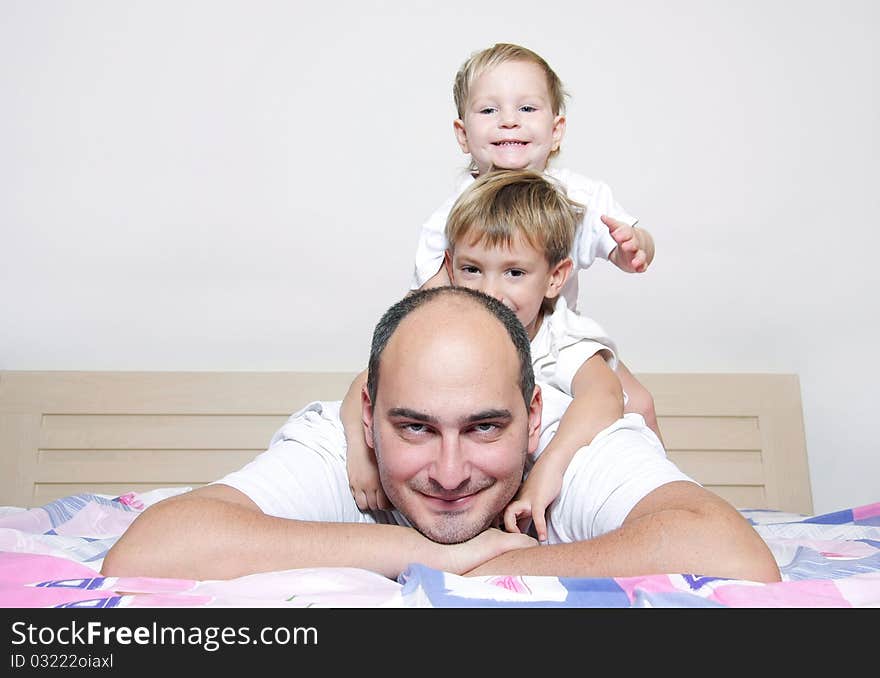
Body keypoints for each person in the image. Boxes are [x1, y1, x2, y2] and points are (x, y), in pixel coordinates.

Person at [102, 286, 781, 583]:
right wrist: (422, 553)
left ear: (535, 416)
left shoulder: (574, 444)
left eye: (485, 426)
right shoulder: (342, 448)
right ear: (367, 417)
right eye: (415, 428)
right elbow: (149, 550)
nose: (450, 472)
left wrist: (505, 563)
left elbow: (731, 551)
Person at [344, 42, 661, 512]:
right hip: (482, 346)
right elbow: (423, 310)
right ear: (462, 132)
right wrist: (361, 456)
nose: (508, 120)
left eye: (526, 108)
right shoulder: (452, 215)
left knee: (638, 402)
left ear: (556, 130)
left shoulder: (579, 195)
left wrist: (635, 246)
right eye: (490, 109)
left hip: (548, 332)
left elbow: (631, 243)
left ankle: (656, 495)